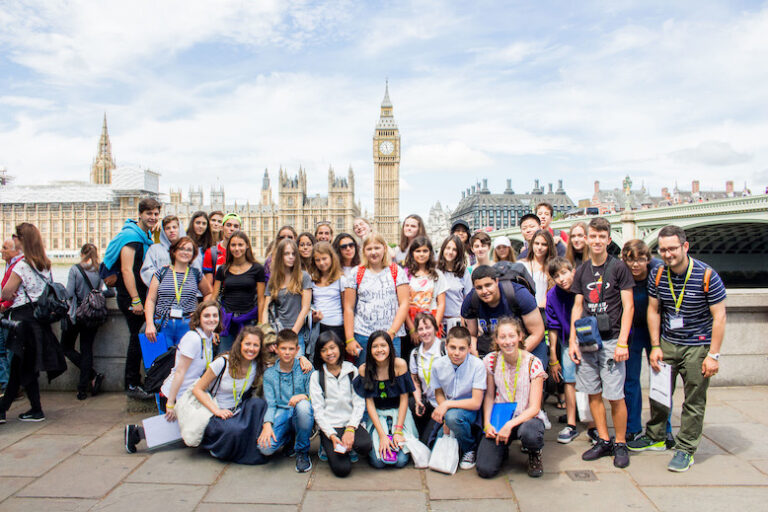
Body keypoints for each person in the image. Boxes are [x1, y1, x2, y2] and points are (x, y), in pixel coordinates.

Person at [628, 225, 726, 473]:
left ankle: (686, 449)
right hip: (668, 342)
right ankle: (657, 436)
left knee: (693, 401)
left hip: (698, 345)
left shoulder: (707, 275)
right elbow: (654, 310)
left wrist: (713, 355)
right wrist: (655, 346)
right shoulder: (658, 274)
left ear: (685, 246)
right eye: (663, 249)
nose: (668, 254)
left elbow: (720, 317)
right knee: (659, 394)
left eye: (672, 248)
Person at [568, 217, 634, 468]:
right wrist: (573, 341)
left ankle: (620, 443)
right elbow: (577, 306)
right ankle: (603, 440)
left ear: (608, 239)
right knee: (593, 392)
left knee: (615, 395)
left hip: (612, 340)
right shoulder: (582, 270)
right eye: (592, 236)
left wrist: (623, 343)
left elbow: (629, 307)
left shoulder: (618, 268)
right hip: (587, 341)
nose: (596, 241)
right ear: (586, 239)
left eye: (601, 237)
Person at [124, 300, 220, 453]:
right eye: (207, 316)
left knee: (182, 430)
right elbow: (180, 372)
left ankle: (135, 433)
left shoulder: (207, 338)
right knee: (187, 427)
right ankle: (136, 433)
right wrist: (170, 403)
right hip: (177, 393)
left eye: (215, 315)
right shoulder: (193, 339)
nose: (212, 319)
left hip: (190, 391)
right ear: (199, 318)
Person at [0, 223, 66, 424]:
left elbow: (6, 292)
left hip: (23, 319)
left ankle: (19, 410)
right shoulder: (44, 263)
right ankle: (27, 409)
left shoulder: (21, 266)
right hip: (39, 319)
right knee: (25, 366)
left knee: (21, 366)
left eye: (16, 237)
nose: (14, 240)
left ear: (22, 240)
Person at [101, 197, 160, 397]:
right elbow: (127, 270)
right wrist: (135, 299)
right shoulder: (131, 237)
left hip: (141, 294)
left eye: (155, 214)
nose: (153, 217)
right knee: (137, 338)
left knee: (142, 337)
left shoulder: (144, 235)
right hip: (131, 295)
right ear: (140, 214)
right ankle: (132, 383)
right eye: (149, 214)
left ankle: (142, 381)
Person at [476, 317, 547, 478]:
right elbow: (489, 396)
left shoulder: (533, 363)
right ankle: (502, 447)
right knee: (485, 469)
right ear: (496, 339)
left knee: (531, 433)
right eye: (503, 337)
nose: (508, 341)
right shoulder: (491, 361)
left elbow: (535, 407)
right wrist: (487, 423)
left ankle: (534, 452)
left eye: (511, 336)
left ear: (520, 336)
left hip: (526, 417)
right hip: (501, 416)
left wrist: (511, 425)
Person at [620, 240, 671, 443]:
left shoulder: (658, 271)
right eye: (631, 260)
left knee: (660, 380)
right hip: (632, 332)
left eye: (640, 260)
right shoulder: (621, 273)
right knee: (630, 381)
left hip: (656, 331)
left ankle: (663, 428)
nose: (635, 265)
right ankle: (633, 427)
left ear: (647, 259)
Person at [195, 325, 268, 464]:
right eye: (247, 344)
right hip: (215, 412)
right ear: (240, 343)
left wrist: (302, 360)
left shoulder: (256, 364)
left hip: (237, 410)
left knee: (259, 404)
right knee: (235, 430)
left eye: (255, 345)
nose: (251, 349)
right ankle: (219, 449)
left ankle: (247, 447)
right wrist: (217, 411)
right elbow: (198, 389)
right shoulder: (222, 362)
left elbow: (282, 364)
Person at [309, 331, 371, 477]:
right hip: (331, 427)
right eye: (323, 350)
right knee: (342, 470)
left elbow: (359, 402)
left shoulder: (352, 371)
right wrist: (331, 435)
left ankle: (351, 447)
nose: (329, 353)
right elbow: (318, 411)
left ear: (340, 347)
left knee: (365, 445)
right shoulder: (316, 376)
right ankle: (326, 446)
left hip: (350, 424)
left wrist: (350, 428)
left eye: (332, 348)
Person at [545, 256, 593, 444]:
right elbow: (553, 327)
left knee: (590, 381)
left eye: (564, 273)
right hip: (566, 342)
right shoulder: (552, 295)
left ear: (573, 271)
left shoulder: (583, 288)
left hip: (588, 340)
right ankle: (571, 423)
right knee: (569, 380)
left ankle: (593, 425)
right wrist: (553, 356)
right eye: (557, 276)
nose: (562, 279)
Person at [344, 233, 410, 366]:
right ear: (364, 251)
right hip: (363, 335)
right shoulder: (356, 273)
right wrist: (349, 338)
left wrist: (391, 332)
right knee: (364, 376)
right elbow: (348, 307)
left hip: (391, 335)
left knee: (392, 376)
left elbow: (404, 304)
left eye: (377, 248)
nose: (373, 252)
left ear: (384, 249)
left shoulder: (396, 271)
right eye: (369, 249)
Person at [353, 331, 417, 468]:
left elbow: (404, 399)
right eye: (375, 346)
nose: (379, 350)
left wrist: (398, 431)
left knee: (400, 461)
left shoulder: (400, 365)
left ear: (390, 347)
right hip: (378, 416)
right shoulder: (364, 370)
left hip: (399, 415)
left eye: (383, 345)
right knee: (378, 462)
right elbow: (369, 404)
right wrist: (382, 435)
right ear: (369, 349)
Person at [461, 265, 546, 365]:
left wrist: (512, 357)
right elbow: (470, 336)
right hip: (499, 347)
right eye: (479, 287)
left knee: (532, 377)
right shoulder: (471, 301)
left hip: (529, 344)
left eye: (488, 285)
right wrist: (479, 362)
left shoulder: (520, 295)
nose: (484, 291)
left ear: (496, 282)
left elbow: (537, 333)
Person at [428, 325, 486, 470]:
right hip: (450, 409)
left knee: (453, 418)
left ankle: (469, 448)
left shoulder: (477, 366)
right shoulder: (437, 365)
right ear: (446, 345)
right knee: (435, 450)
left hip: (469, 410)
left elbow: (476, 402)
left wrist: (447, 407)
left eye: (462, 349)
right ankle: (457, 435)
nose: (456, 353)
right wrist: (444, 409)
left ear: (469, 348)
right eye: (452, 347)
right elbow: (439, 392)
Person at [258, 329, 314, 473]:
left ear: (297, 350)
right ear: (276, 349)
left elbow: (314, 396)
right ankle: (289, 437)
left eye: (291, 349)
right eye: (283, 348)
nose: (287, 352)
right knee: (265, 448)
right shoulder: (269, 374)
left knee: (303, 407)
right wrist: (267, 424)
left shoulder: (305, 368)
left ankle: (302, 451)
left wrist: (302, 397)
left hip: (302, 412)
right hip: (281, 411)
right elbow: (270, 404)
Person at [144, 237, 213, 348]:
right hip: (163, 323)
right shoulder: (161, 272)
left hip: (187, 324)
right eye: (182, 248)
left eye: (189, 250)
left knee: (185, 361)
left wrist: (200, 311)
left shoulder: (196, 273)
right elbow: (151, 300)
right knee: (161, 362)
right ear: (174, 251)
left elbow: (209, 293)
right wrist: (149, 324)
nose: (185, 252)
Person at [61, 243, 107, 400]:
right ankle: (83, 387)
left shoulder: (75, 269)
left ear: (81, 254)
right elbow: (108, 291)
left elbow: (68, 292)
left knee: (66, 347)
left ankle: (92, 376)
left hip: (77, 314)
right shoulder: (99, 269)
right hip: (93, 315)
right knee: (87, 349)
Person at [212, 231, 266, 352]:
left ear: (247, 245)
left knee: (248, 357)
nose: (237, 248)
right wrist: (214, 326)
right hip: (227, 321)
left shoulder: (257, 269)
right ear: (229, 247)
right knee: (224, 357)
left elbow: (261, 300)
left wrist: (261, 324)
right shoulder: (223, 269)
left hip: (249, 320)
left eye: (240, 245)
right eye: (233, 245)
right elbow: (214, 297)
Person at [262, 239, 313, 356]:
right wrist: (267, 335)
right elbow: (266, 310)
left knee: (296, 369)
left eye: (293, 254)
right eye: (286, 254)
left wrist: (292, 335)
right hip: (276, 333)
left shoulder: (303, 276)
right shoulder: (273, 280)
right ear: (280, 256)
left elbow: (305, 308)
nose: (291, 257)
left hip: (296, 333)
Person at [403, 236, 447, 357]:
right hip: (411, 322)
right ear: (412, 253)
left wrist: (435, 326)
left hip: (431, 319)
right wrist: (412, 329)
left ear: (430, 253)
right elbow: (403, 303)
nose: (421, 254)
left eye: (425, 251)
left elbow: (441, 303)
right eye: (418, 251)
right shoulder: (406, 274)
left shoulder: (437, 274)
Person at [408, 313, 443, 438]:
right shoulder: (415, 354)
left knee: (426, 443)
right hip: (427, 401)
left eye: (428, 327)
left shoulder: (444, 349)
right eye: (421, 329)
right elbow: (415, 379)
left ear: (435, 327)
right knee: (410, 404)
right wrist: (418, 400)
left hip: (443, 404)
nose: (425, 332)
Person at [0, 236, 25, 393]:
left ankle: (11, 387)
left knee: (8, 351)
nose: (1, 250)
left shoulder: (18, 265)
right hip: (9, 312)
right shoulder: (12, 264)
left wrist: (2, 306)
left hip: (12, 314)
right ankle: (6, 384)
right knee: (3, 350)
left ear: (16, 250)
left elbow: (12, 293)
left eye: (4, 248)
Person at [310, 242, 346, 344]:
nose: (321, 263)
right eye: (318, 260)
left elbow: (346, 307)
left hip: (336, 327)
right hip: (318, 327)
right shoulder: (312, 279)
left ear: (331, 258)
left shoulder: (341, 280)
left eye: (324, 258)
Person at [437, 235, 472, 334]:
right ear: (443, 249)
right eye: (448, 248)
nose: (450, 252)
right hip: (439, 322)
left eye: (454, 249)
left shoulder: (464, 273)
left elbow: (468, 299)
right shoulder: (436, 271)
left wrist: (464, 318)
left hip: (458, 321)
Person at [140, 215, 184, 287]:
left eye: (174, 227)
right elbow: (146, 271)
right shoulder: (154, 249)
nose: (171, 230)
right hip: (160, 292)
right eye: (168, 228)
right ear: (163, 231)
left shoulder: (187, 248)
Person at [202, 213, 241, 287]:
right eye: (228, 225)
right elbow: (209, 286)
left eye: (235, 226)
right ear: (222, 227)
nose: (232, 228)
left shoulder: (244, 253)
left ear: (240, 229)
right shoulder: (211, 252)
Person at [520, 230, 557, 309]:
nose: (539, 247)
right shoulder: (521, 265)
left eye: (544, 244)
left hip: (544, 311)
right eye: (537, 243)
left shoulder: (553, 267)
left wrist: (537, 309)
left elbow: (552, 294)